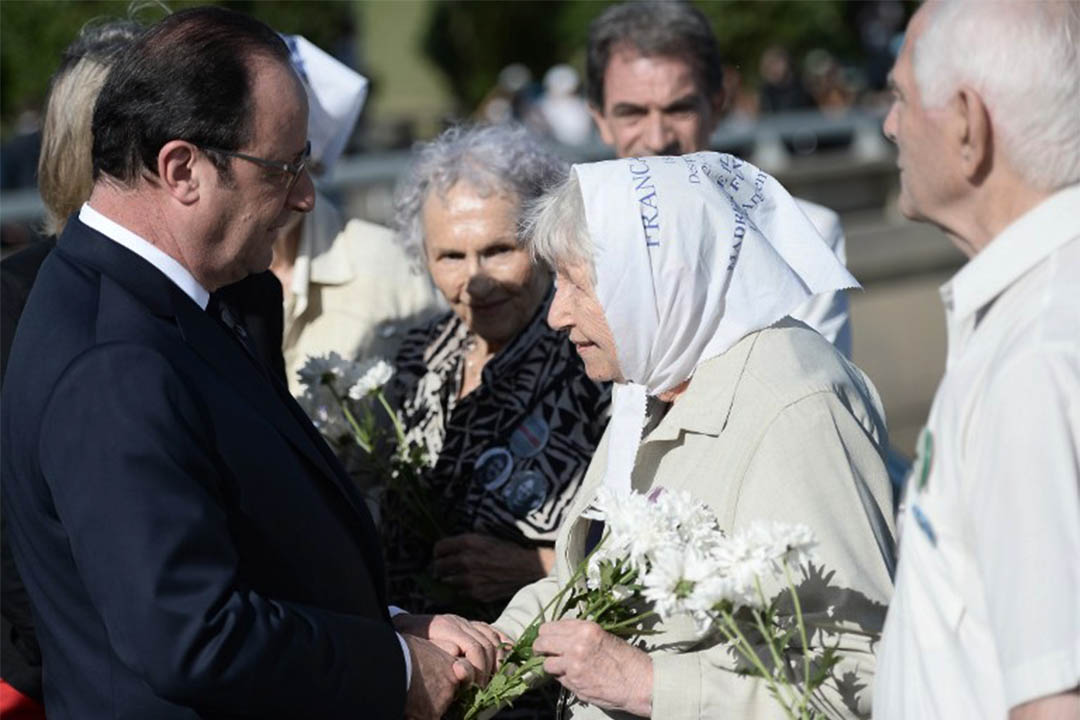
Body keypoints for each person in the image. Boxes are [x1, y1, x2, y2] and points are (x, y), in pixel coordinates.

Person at [1, 8, 499, 719]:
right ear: (182, 169)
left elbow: (250, 544)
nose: (304, 196)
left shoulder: (158, 298)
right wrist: (393, 668)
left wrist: (387, 628)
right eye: (286, 166)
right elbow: (193, 637)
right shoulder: (115, 357)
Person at [494, 152, 897, 718]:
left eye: (578, 285)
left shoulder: (796, 409)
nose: (556, 315)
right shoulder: (653, 380)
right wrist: (490, 652)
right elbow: (587, 584)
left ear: (662, 279)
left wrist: (649, 683)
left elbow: (862, 673)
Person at [873, 2, 1080, 718]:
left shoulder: (1034, 357)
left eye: (900, 96)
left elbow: (1053, 698)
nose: (889, 125)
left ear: (967, 123)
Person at [385, 124, 611, 618]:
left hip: (541, 659)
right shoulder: (417, 357)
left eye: (498, 250)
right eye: (450, 256)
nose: (476, 281)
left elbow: (649, 535)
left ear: (543, 243)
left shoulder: (596, 361)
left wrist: (541, 564)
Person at [583, 0, 852, 358]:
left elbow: (810, 396)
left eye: (679, 109)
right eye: (632, 113)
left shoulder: (804, 237)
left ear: (718, 104)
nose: (658, 137)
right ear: (600, 120)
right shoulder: (570, 249)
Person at [270, 35, 441, 396]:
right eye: (268, 167)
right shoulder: (201, 272)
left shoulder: (389, 262)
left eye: (297, 165)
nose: (294, 192)